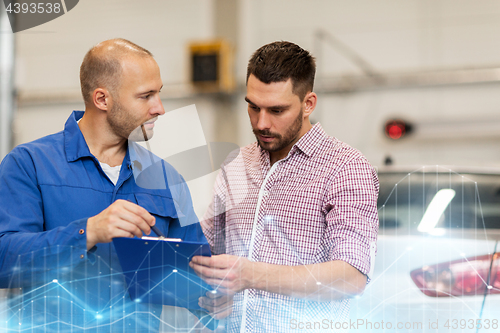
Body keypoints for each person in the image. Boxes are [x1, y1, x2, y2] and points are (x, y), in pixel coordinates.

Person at [0, 38, 207, 332]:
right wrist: (89, 232)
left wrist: (213, 296)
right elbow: (3, 259)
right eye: (145, 96)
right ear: (102, 99)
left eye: (158, 94)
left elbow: (195, 271)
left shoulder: (166, 178)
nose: (159, 108)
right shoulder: (29, 165)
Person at [190, 41, 379, 332]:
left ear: (308, 104)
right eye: (253, 107)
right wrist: (213, 295)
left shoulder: (345, 167)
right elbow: (206, 249)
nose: (262, 123)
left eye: (277, 110)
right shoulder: (237, 163)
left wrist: (250, 275)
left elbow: (350, 277)